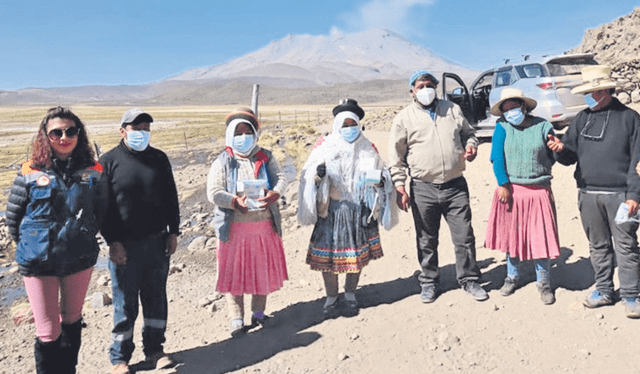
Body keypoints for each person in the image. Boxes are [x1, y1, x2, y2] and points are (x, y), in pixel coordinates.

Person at [6, 106, 106, 374]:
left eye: (70, 131)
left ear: (79, 134)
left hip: (79, 259)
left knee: (72, 321)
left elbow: (103, 211)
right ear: (45, 136)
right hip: (39, 263)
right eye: (56, 132)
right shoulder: (29, 170)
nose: (64, 137)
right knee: (48, 331)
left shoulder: (93, 170)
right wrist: (30, 245)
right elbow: (13, 218)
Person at [388, 69, 488, 303]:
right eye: (420, 86)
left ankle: (469, 280)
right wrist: (400, 186)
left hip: (455, 186)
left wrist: (471, 146)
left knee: (464, 237)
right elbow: (396, 157)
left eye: (429, 85)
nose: (425, 90)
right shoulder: (404, 118)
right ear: (412, 91)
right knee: (426, 238)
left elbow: (469, 134)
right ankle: (429, 282)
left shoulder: (452, 109)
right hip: (423, 188)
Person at [298, 99, 398, 318]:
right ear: (337, 125)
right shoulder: (324, 146)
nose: (350, 128)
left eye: (354, 123)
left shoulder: (367, 147)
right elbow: (307, 176)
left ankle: (351, 293)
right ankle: (331, 296)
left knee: (356, 256)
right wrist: (318, 176)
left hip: (359, 211)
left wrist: (381, 182)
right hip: (331, 211)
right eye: (345, 124)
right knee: (328, 260)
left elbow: (382, 174)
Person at [556, 65, 640, 319]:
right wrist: (559, 149)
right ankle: (604, 290)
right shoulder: (582, 118)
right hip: (588, 194)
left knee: (626, 245)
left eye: (592, 92)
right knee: (598, 245)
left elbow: (639, 160)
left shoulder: (630, 118)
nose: (588, 97)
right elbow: (569, 155)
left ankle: (631, 295)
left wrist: (634, 194)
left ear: (604, 91)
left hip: (621, 197)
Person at [100, 108, 180, 373]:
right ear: (122, 131)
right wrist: (113, 241)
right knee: (125, 303)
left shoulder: (159, 159)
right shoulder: (108, 161)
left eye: (146, 128)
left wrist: (174, 231)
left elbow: (171, 197)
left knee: (156, 299)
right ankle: (120, 358)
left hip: (157, 243)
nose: (142, 133)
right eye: (136, 128)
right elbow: (103, 207)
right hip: (125, 247)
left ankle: (155, 350)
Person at [207, 108, 288, 337]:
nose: (243, 137)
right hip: (234, 230)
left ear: (255, 133)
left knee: (261, 271)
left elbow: (281, 178)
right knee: (234, 274)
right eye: (238, 132)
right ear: (230, 134)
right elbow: (213, 192)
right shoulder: (223, 161)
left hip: (263, 227)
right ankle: (236, 319)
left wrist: (275, 194)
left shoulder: (266, 156)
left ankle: (259, 312)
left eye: (247, 131)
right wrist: (233, 201)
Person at [484, 88, 565, 305]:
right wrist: (503, 184)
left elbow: (553, 153)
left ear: (524, 106)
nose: (511, 112)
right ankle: (512, 276)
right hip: (511, 190)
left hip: (539, 189)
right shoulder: (502, 128)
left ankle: (544, 282)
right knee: (512, 237)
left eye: (514, 107)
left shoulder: (542, 125)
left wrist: (555, 147)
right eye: (506, 109)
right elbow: (497, 158)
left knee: (541, 238)